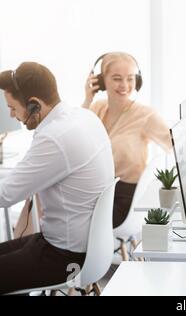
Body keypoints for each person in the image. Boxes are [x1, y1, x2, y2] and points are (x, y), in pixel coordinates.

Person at [0, 62, 114, 294]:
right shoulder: (84, 117)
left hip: (64, 259)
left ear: (34, 104)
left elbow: (5, 194)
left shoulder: (54, 137)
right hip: (86, 249)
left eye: (13, 108)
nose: (12, 115)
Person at [82, 52, 172, 228]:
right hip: (98, 194)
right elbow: (74, 137)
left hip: (126, 201)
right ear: (101, 82)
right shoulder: (97, 108)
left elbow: (175, 142)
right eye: (117, 78)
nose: (124, 85)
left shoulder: (146, 115)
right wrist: (87, 99)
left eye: (130, 79)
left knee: (71, 219)